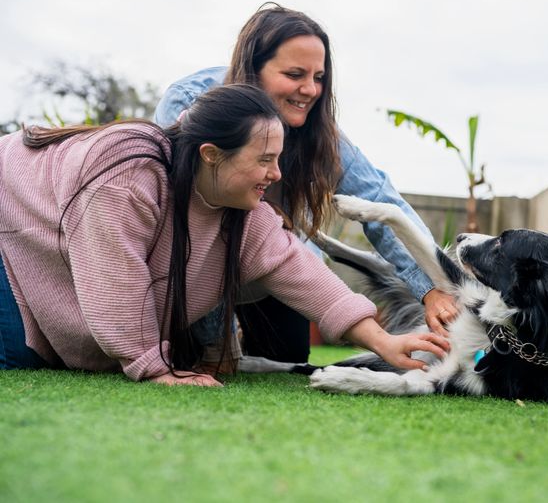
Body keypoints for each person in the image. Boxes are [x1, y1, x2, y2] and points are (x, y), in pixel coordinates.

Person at [0, 84, 449, 384]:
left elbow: (300, 271)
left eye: (278, 159)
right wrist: (156, 369)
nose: (275, 175)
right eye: (264, 160)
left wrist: (385, 342)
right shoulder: (126, 176)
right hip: (11, 251)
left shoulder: (239, 207)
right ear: (211, 155)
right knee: (21, 354)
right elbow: (116, 283)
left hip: (56, 269)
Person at [155, 3, 458, 366]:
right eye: (295, 73)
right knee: (193, 360)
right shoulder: (191, 104)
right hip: (196, 262)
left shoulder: (320, 134)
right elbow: (187, 220)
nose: (310, 90)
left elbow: (378, 200)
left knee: (288, 358)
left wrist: (432, 288)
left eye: (318, 77)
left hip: (270, 261)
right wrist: (214, 346)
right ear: (253, 71)